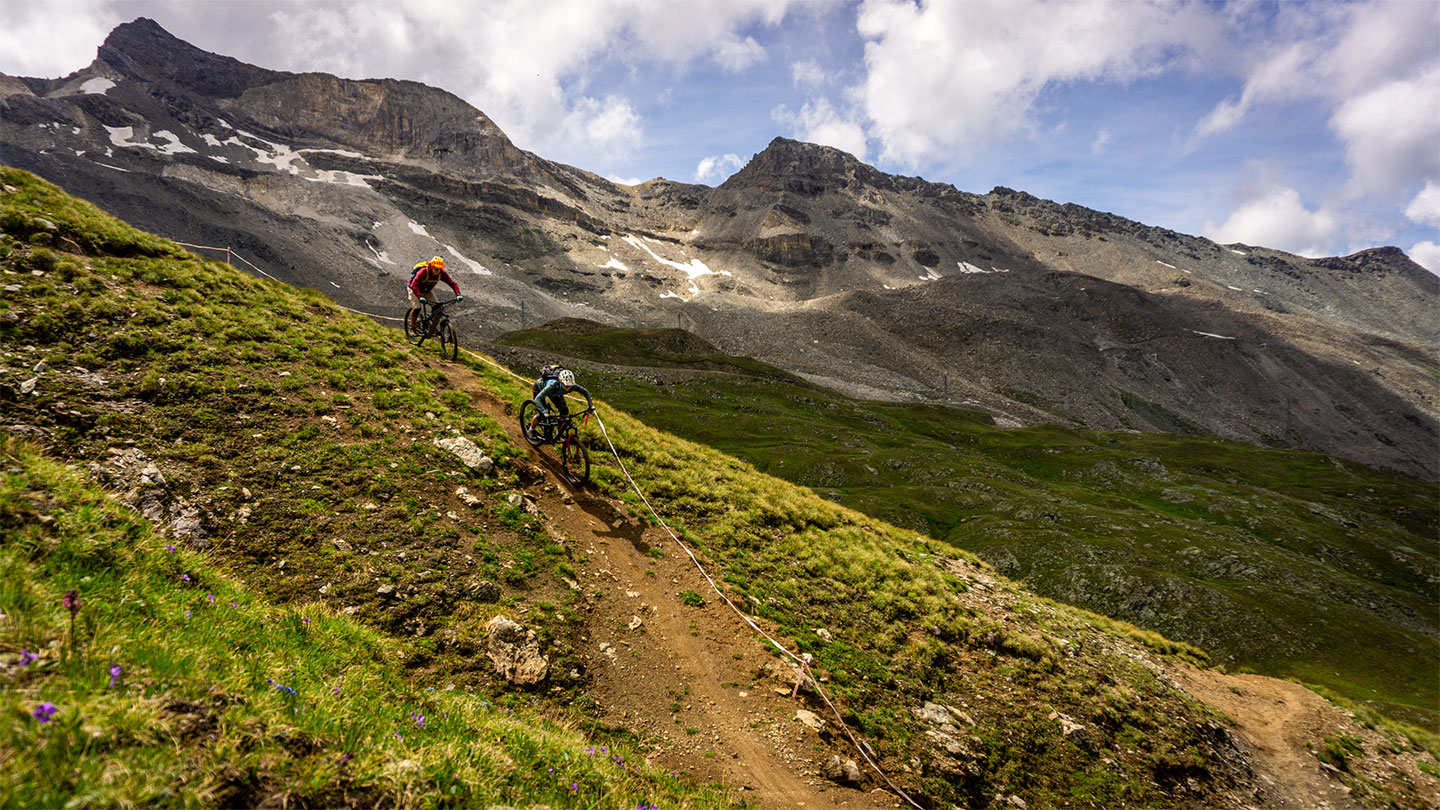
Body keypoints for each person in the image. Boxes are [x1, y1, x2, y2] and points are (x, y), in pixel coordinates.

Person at [529, 367, 593, 440]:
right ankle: (531, 430)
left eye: (570, 385)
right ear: (560, 382)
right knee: (541, 415)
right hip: (539, 389)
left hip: (555, 394)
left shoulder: (572, 386)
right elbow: (537, 399)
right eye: (566, 385)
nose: (568, 388)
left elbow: (585, 392)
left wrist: (591, 405)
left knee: (564, 412)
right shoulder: (552, 385)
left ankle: (558, 435)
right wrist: (544, 412)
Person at [407, 256, 461, 331]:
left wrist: (458, 294)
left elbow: (452, 283)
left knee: (437, 308)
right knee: (417, 308)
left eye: (439, 269)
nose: (437, 271)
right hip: (414, 290)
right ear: (432, 267)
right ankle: (412, 326)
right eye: (436, 269)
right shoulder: (423, 272)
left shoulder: (441, 273)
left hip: (427, 291)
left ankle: (433, 327)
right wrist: (420, 297)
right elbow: (414, 285)